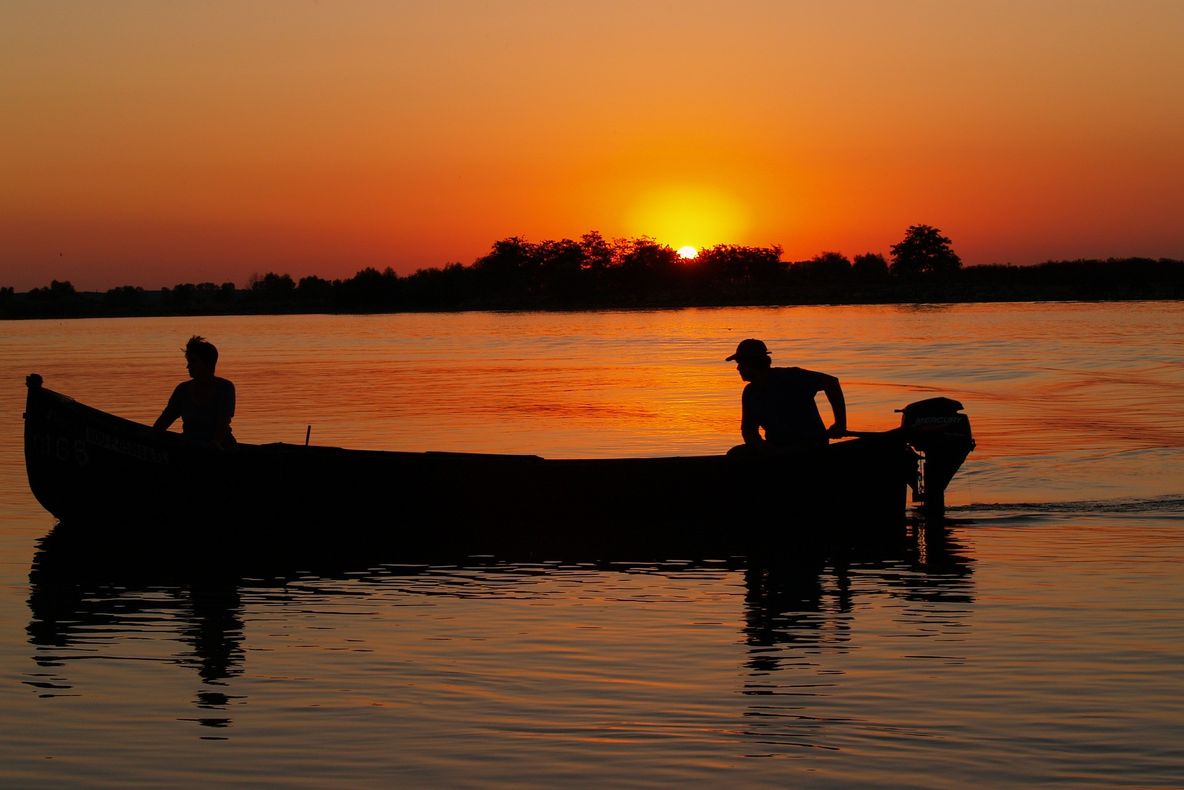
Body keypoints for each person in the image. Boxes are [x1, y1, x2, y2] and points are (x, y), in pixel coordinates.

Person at [726, 338, 846, 455]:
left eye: (740, 363)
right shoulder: (750, 393)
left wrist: (840, 424)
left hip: (810, 446)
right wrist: (762, 447)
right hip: (776, 448)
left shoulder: (793, 376)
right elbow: (749, 431)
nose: (738, 368)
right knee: (735, 454)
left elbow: (831, 383)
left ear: (752, 363)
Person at [154, 335, 236, 448]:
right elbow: (166, 419)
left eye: (193, 361)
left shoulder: (225, 388)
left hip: (221, 447)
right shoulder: (182, 390)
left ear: (207, 363)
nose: (188, 366)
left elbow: (223, 422)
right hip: (189, 445)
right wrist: (149, 436)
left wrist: (215, 444)